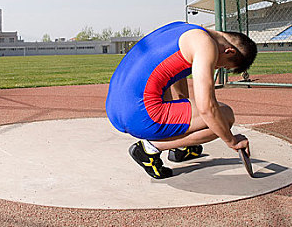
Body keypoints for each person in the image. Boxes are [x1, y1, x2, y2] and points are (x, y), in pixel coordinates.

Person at [106, 21, 257, 179]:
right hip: (138, 115)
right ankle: (150, 148)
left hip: (116, 108)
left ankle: (182, 149)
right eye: (224, 66)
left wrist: (187, 130)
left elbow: (176, 79)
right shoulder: (206, 44)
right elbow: (207, 108)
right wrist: (231, 140)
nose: (217, 68)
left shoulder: (184, 29)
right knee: (224, 116)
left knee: (203, 113)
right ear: (229, 51)